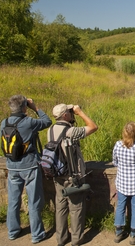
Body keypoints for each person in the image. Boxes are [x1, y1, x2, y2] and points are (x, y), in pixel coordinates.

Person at [0, 95, 52, 244]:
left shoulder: (4, 122)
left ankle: (13, 231)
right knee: (34, 201)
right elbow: (47, 121)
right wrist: (35, 107)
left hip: (11, 165)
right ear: (24, 108)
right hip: (29, 165)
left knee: (13, 201)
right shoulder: (28, 122)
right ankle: (37, 234)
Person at [50, 103, 98, 246]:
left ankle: (61, 238)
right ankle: (76, 239)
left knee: (61, 207)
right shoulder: (70, 132)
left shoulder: (51, 129)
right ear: (65, 115)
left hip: (57, 174)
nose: (71, 114)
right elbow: (93, 127)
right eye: (69, 112)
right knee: (76, 208)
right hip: (72, 176)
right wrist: (80, 112)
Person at [112, 122, 135, 245]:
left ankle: (118, 232)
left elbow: (115, 162)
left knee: (120, 206)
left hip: (122, 183)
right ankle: (133, 235)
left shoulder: (118, 145)